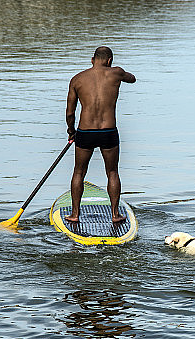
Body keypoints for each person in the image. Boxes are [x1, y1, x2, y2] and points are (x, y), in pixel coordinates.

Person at [65, 46, 136, 223]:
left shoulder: (77, 79)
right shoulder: (116, 73)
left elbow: (69, 113)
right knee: (112, 172)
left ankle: (74, 215)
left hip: (85, 131)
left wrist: (71, 131)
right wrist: (116, 72)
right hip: (108, 131)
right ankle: (115, 214)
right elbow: (132, 79)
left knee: (79, 172)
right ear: (110, 60)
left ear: (91, 60)